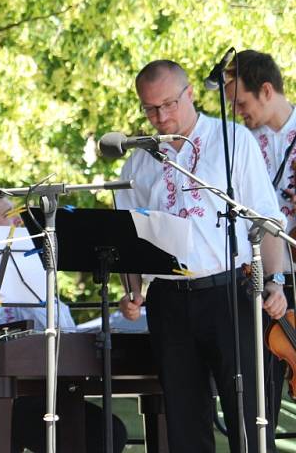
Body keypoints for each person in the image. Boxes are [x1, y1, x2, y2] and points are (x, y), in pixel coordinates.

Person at [116, 59, 287, 453]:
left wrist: (274, 282)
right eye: (151, 108)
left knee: (250, 418)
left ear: (190, 94)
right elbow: (129, 240)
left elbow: (264, 217)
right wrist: (133, 291)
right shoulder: (138, 161)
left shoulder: (233, 140)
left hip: (231, 291)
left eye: (169, 104)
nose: (161, 116)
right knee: (184, 419)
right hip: (170, 300)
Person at [0, 196, 127, 453]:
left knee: (109, 431)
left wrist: (41, 289)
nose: (19, 219)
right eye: (7, 214)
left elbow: (66, 331)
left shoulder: (32, 268)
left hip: (44, 390)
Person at [224, 49, 296, 430]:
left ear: (266, 90)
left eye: (241, 102)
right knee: (260, 389)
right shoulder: (241, 142)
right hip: (260, 272)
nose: (236, 111)